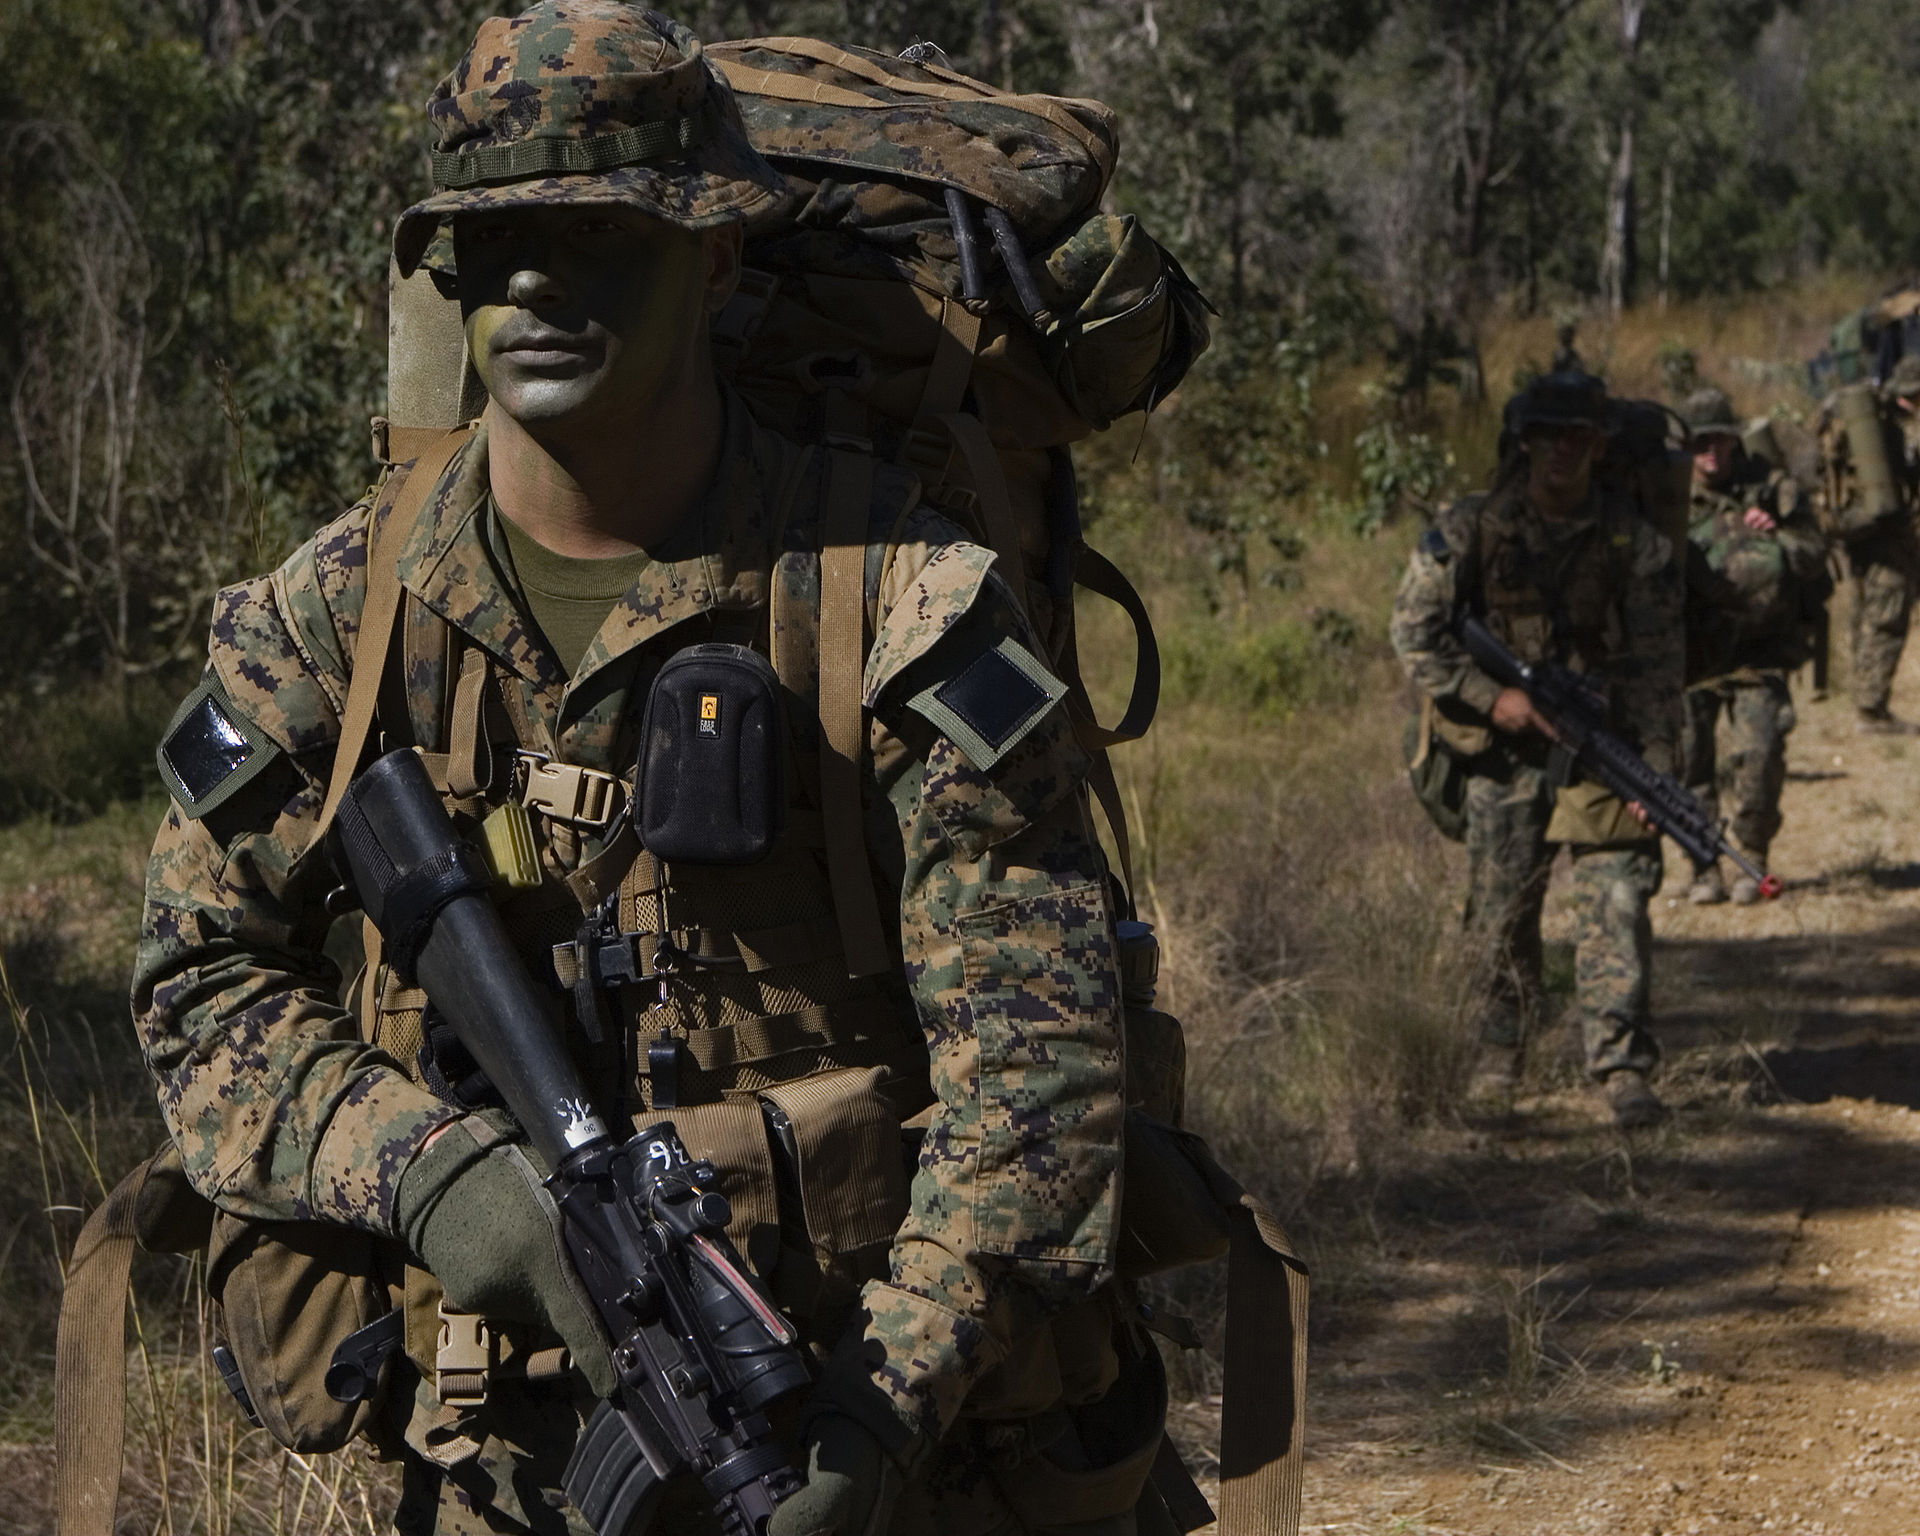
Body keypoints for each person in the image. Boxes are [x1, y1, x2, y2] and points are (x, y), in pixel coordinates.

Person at [131, 6, 1157, 1532]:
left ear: (720, 259)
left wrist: (877, 1418)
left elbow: (1043, 1068)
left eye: (600, 234)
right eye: (496, 243)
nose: (536, 279)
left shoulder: (896, 594)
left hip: (876, 1437)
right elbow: (197, 979)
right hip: (510, 1459)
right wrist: (428, 1173)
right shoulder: (335, 616)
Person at [1390, 371, 1684, 1129]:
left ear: (1598, 445)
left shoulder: (1633, 539)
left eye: (1578, 436)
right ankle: (1498, 1058)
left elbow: (1657, 664)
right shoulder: (1470, 527)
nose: (1560, 450)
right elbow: (1413, 631)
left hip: (1599, 746)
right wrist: (1496, 700)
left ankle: (1620, 1068)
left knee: (1617, 899)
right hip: (1503, 750)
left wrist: (1655, 766)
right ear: (1522, 442)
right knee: (1500, 912)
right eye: (1545, 435)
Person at [1678, 388, 1830, 905]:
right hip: (1690, 654)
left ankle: (1753, 857)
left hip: (1759, 650)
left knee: (1761, 754)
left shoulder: (1771, 488)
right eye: (1701, 444)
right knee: (1690, 763)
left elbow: (1816, 553)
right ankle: (1702, 865)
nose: (1712, 454)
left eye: (1720, 441)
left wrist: (1777, 536)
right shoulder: (1662, 496)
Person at [1820, 354, 1920, 731]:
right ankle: (1871, 710)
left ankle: (1865, 697)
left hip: (1862, 533)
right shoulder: (1890, 428)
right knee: (1887, 619)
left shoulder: (1871, 420)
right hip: (1886, 535)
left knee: (1870, 615)